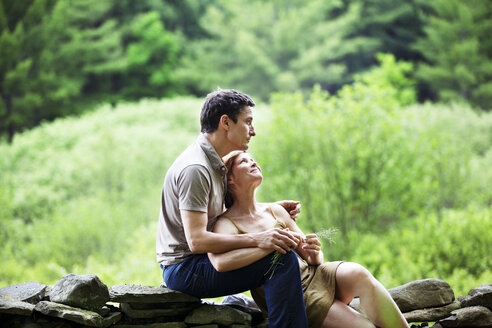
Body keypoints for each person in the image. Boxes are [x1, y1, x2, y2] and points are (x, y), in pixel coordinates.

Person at [156, 89, 310, 327]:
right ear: (225, 122)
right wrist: (259, 238)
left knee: (279, 252)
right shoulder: (196, 168)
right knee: (280, 260)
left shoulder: (213, 162)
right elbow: (197, 240)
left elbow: (218, 214)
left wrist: (269, 210)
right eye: (248, 122)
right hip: (185, 268)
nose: (253, 131)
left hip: (203, 260)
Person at [208, 150, 411, 328]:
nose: (254, 162)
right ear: (230, 180)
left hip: (316, 274)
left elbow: (312, 256)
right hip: (294, 294)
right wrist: (268, 245)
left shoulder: (275, 210)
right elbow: (221, 263)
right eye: (244, 161)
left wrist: (314, 252)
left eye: (253, 159)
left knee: (359, 273)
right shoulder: (227, 224)